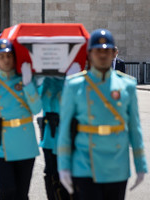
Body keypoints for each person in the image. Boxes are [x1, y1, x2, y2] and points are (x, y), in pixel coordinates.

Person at [57, 29, 148, 200]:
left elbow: (135, 128)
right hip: (85, 162)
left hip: (117, 162)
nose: (103, 55)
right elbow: (65, 129)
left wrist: (140, 164)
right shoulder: (75, 84)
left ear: (114, 53)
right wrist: (63, 166)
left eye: (107, 50)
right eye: (98, 50)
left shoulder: (126, 85)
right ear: (89, 53)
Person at [0, 39, 41, 200]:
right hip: (1, 146)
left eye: (9, 56)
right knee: (7, 191)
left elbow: (37, 109)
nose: (6, 60)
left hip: (25, 143)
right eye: (1, 57)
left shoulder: (25, 80)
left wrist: (28, 85)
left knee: (22, 194)